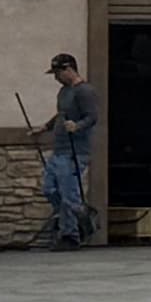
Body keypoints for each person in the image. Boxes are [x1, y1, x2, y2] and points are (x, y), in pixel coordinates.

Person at [37, 51, 97, 248]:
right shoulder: (63, 92)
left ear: (69, 69)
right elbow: (61, 115)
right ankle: (72, 220)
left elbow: (91, 117)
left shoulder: (85, 91)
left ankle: (71, 234)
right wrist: (46, 127)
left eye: (57, 73)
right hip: (59, 149)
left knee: (69, 195)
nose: (55, 78)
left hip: (75, 151)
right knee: (49, 189)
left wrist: (77, 126)